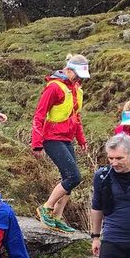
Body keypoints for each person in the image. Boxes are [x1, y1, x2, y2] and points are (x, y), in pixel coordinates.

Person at [31, 53, 90, 234]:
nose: (80, 78)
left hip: (67, 139)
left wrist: (81, 140)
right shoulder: (54, 88)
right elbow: (39, 115)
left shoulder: (76, 89)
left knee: (69, 179)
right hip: (52, 138)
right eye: (78, 74)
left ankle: (56, 218)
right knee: (74, 176)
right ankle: (46, 208)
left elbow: (76, 117)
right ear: (69, 69)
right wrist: (37, 143)